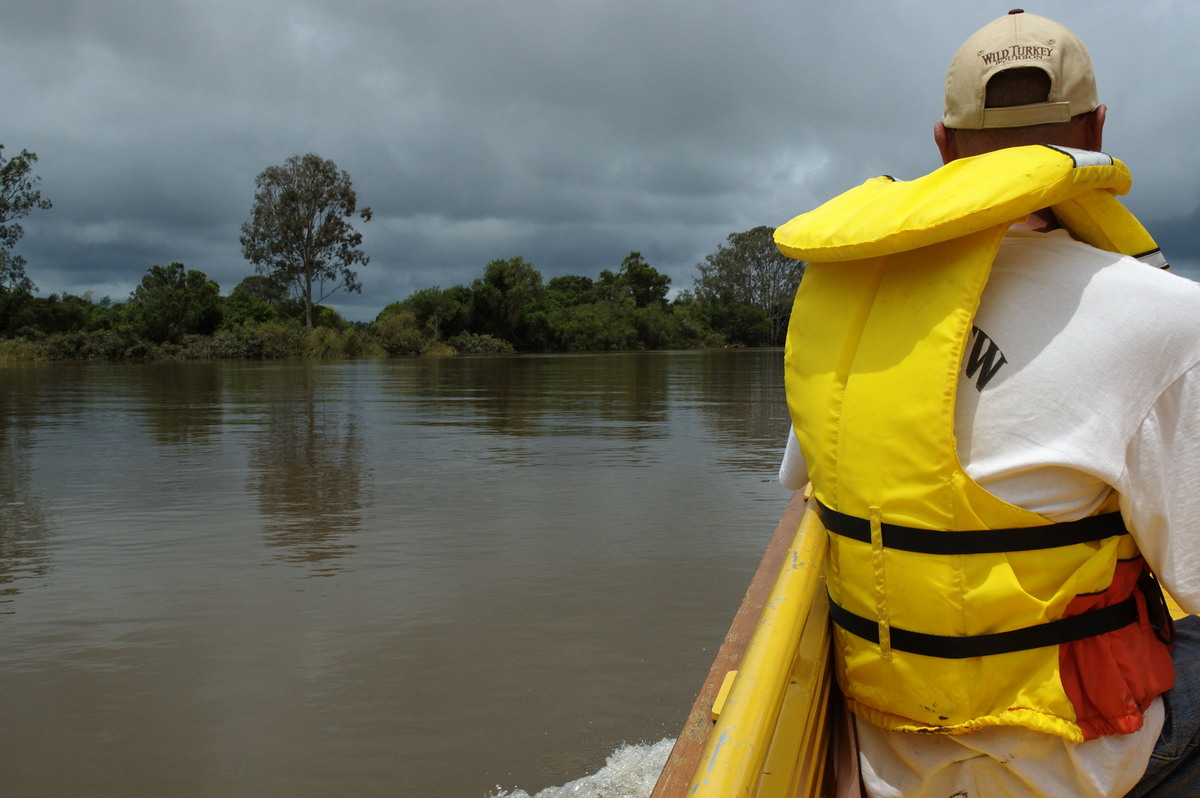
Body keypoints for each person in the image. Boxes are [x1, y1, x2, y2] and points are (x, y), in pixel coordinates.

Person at [776, 10, 1200, 798]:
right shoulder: (1165, 318)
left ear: (943, 144)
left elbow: (807, 483)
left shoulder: (836, 307)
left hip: (886, 756)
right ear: (1098, 129)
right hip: (1079, 765)